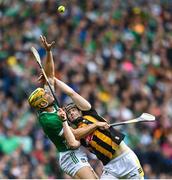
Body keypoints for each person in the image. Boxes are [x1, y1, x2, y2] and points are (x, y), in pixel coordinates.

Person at [40, 35, 144, 179]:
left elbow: (71, 92)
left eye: (73, 110)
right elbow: (73, 140)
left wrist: (53, 79)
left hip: (127, 160)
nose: (71, 114)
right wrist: (96, 126)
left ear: (79, 109)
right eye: (68, 114)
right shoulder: (77, 132)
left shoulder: (90, 112)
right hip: (110, 168)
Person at [28, 35, 110, 179]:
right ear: (42, 103)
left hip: (76, 154)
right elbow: (75, 136)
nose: (48, 93)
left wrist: (48, 52)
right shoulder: (50, 120)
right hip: (69, 155)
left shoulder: (48, 106)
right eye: (45, 95)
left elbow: (50, 76)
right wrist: (95, 125)